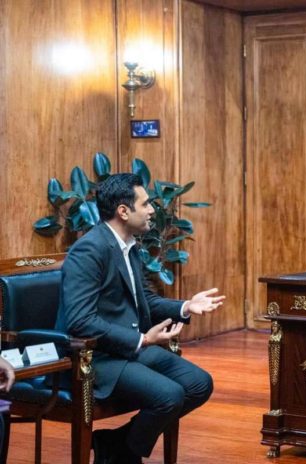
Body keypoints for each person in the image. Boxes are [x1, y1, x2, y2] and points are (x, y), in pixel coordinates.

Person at [56, 173, 225, 464]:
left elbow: (144, 300)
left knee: (199, 383)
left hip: (129, 350)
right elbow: (80, 321)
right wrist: (143, 339)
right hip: (96, 357)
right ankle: (123, 453)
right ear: (123, 211)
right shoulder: (89, 250)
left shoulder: (130, 246)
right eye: (145, 204)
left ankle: (117, 445)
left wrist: (185, 307)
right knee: (169, 395)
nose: (151, 210)